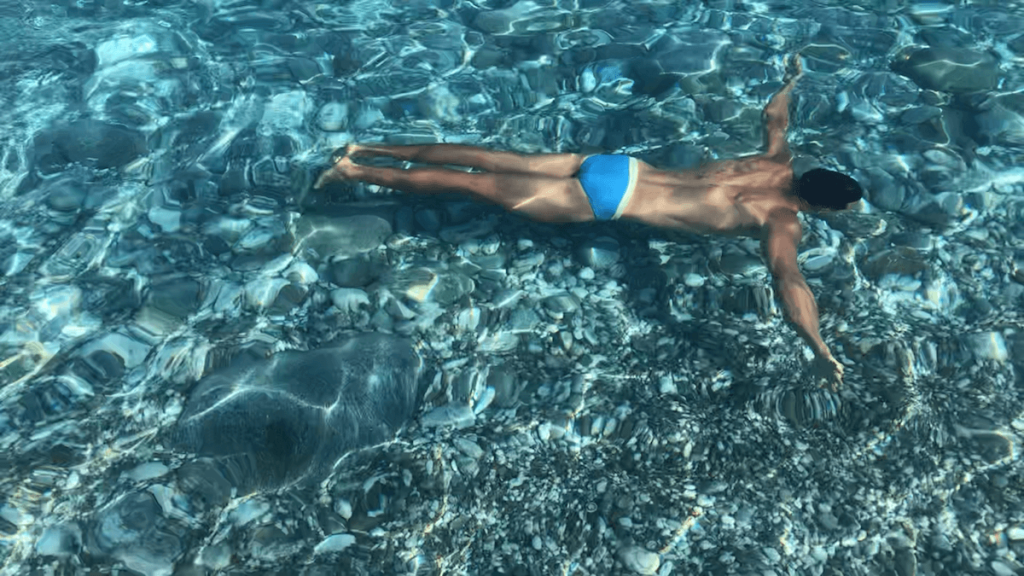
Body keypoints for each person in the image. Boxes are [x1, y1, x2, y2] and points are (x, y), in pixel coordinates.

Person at [315, 55, 861, 390]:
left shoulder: (777, 161)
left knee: (485, 158)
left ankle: (365, 147)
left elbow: (773, 119)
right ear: (822, 207)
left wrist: (790, 82)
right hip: (605, 204)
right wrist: (819, 347)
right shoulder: (783, 221)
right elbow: (788, 280)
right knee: (470, 185)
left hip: (618, 165)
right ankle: (350, 172)